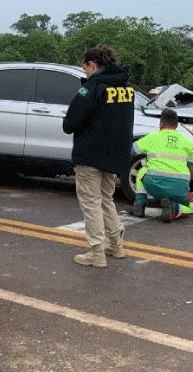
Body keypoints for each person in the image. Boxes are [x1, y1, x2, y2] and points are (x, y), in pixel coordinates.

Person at [62, 45, 135, 268]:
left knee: (91, 203)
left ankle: (96, 251)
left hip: (90, 154)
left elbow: (70, 123)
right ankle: (116, 244)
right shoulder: (126, 88)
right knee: (106, 200)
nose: (85, 73)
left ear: (92, 65)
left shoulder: (93, 88)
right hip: (114, 156)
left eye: (84, 68)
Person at [131, 108, 193, 222]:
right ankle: (176, 207)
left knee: (141, 171)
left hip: (154, 186)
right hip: (179, 189)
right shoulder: (188, 143)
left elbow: (132, 150)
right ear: (176, 125)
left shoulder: (152, 137)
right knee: (189, 207)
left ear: (160, 124)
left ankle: (139, 206)